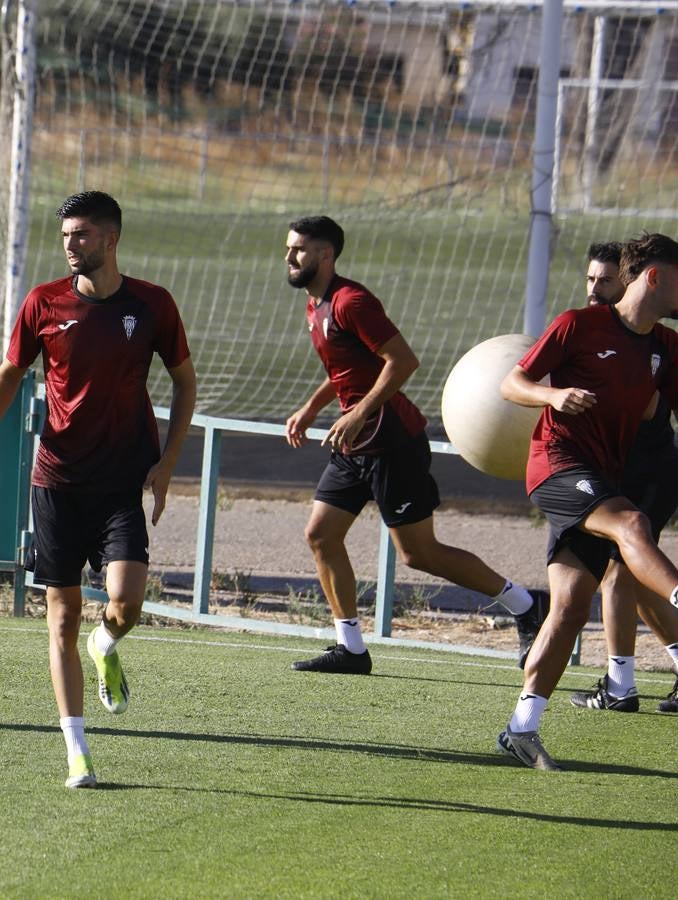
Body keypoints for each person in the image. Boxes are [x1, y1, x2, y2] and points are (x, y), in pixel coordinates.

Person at [0, 191, 196, 789]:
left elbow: (184, 382)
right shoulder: (43, 303)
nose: (72, 244)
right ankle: (77, 750)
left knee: (127, 604)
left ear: (112, 238)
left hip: (122, 482)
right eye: (66, 235)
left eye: (83, 235)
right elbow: (12, 369)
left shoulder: (152, 305)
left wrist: (168, 460)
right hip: (58, 482)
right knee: (61, 615)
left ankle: (108, 643)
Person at [282, 216, 546, 675]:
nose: (289, 257)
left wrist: (359, 411)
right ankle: (351, 649)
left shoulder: (352, 302)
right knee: (320, 535)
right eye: (288, 248)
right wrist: (310, 408)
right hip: (355, 443)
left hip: (391, 443)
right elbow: (347, 368)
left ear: (326, 255)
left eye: (299, 250)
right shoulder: (314, 305)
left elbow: (403, 361)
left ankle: (525, 604)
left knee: (419, 554)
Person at [499, 232, 678, 770]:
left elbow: (652, 409)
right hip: (556, 463)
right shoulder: (578, 324)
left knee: (572, 607)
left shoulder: (666, 348)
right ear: (655, 277)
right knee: (632, 525)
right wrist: (553, 394)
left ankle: (520, 729)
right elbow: (513, 381)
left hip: (600, 477)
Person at [569, 241, 678, 714]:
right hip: (615, 470)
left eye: (606, 281)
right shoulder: (589, 330)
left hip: (650, 469)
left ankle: (619, 686)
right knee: (635, 575)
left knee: (620, 570)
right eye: (590, 280)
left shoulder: (654, 340)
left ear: (633, 282)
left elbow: (646, 405)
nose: (596, 290)